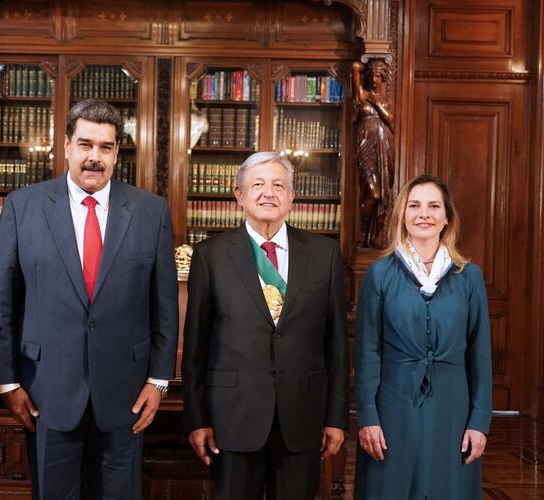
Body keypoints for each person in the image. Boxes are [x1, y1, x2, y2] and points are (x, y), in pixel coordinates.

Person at [0, 98, 178, 499]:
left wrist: (158, 381)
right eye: (86, 145)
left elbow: (164, 305)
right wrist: (6, 381)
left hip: (126, 394)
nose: (95, 157)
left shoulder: (150, 211)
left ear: (117, 153)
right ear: (67, 146)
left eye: (105, 147)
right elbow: (3, 302)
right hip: (45, 390)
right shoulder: (23, 207)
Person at [182, 152, 348, 500]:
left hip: (302, 417)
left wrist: (336, 417)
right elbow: (196, 348)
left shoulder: (324, 254)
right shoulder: (210, 255)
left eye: (278, 185)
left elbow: (337, 345)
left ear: (292, 196)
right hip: (233, 418)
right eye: (257, 184)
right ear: (239, 195)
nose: (268, 193)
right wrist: (197, 419)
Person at [354, 174, 492, 499]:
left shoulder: (469, 276)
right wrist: (367, 418)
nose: (424, 214)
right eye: (414, 206)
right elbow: (367, 352)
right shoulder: (379, 274)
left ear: (447, 218)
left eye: (433, 206)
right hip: (392, 408)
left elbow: (479, 354)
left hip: (454, 410)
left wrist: (480, 421)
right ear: (403, 215)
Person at [352, 59, 395, 248]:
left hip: (383, 146)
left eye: (378, 75)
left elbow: (390, 118)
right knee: (373, 193)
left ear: (384, 77)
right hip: (365, 147)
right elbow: (355, 67)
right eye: (371, 75)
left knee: (382, 193)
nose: (375, 79)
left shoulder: (385, 100)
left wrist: (377, 103)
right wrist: (362, 70)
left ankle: (375, 236)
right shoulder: (363, 95)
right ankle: (362, 234)